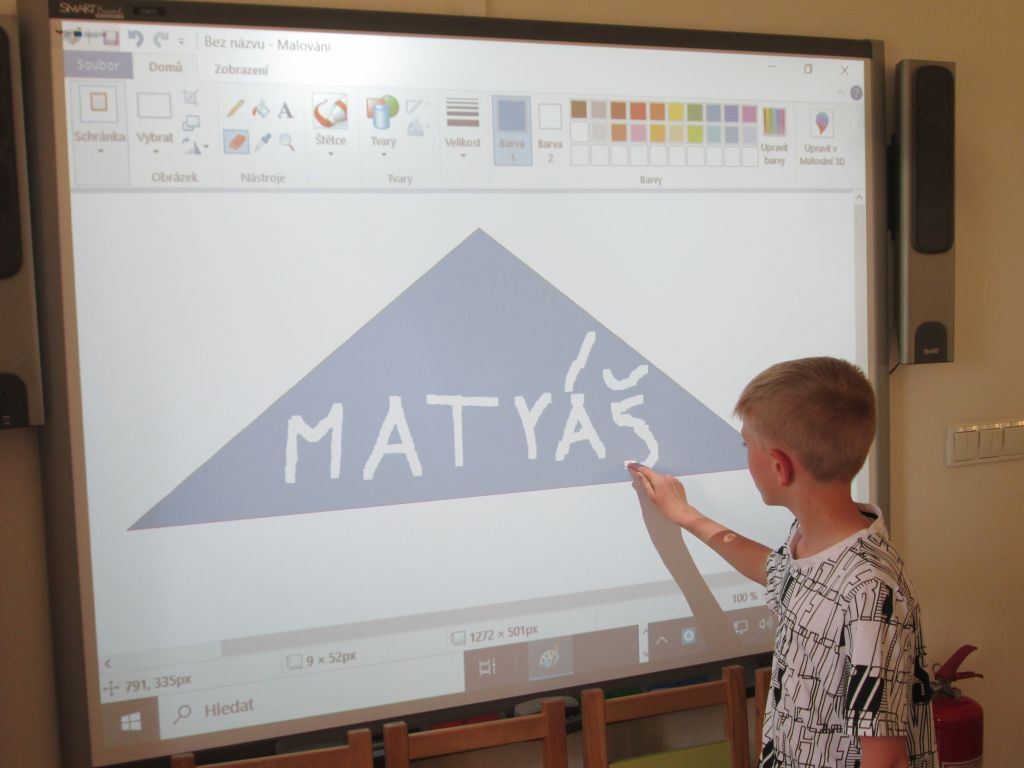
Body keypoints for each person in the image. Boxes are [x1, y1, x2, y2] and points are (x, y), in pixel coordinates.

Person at [628, 357, 936, 768]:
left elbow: (886, 758)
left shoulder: (868, 592)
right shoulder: (813, 539)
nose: (745, 456)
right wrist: (686, 516)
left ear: (779, 466)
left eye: (746, 446)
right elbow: (772, 571)